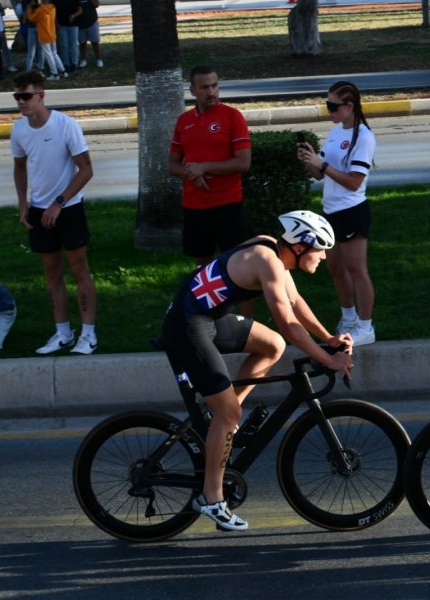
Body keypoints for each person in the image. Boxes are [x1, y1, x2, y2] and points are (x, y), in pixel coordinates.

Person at [162, 210, 353, 531]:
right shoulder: (268, 262)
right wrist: (328, 357)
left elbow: (295, 303)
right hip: (188, 327)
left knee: (272, 346)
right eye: (320, 249)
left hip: (206, 317)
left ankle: (221, 416)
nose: (323, 257)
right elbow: (290, 325)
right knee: (230, 414)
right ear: (301, 247)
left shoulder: (274, 253)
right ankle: (211, 498)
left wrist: (329, 339)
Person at [10, 69, 98, 355]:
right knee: (51, 272)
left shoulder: (65, 125)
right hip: (39, 210)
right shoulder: (19, 129)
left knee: (79, 270)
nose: (22, 102)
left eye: (26, 96)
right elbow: (20, 166)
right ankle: (62, 333)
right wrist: (24, 204)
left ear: (41, 95)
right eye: (17, 97)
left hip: (68, 208)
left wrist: (59, 203)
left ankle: (88, 334)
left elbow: (86, 170)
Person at [297, 81, 377, 346]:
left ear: (349, 107)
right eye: (327, 105)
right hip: (331, 211)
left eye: (333, 106)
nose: (329, 110)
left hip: (352, 210)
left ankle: (366, 327)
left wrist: (324, 165)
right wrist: (310, 161)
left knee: (357, 269)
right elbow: (320, 172)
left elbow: (354, 181)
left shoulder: (363, 137)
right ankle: (349, 318)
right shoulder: (335, 132)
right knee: (335, 268)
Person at [168, 65, 252, 266]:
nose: (211, 92)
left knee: (238, 265)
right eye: (205, 87)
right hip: (194, 206)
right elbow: (172, 164)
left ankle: (239, 299)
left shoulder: (232, 116)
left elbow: (243, 162)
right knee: (203, 267)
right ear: (193, 90)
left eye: (215, 86)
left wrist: (203, 167)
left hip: (228, 204)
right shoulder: (184, 121)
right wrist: (191, 173)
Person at [25, 0, 68, 80]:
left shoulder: (41, 9)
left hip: (44, 35)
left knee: (48, 55)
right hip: (52, 34)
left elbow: (32, 18)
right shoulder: (53, 7)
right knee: (55, 53)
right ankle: (63, 71)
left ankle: (55, 74)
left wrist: (29, 9)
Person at [54, 0, 81, 73]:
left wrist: (73, 15)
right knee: (63, 45)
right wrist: (56, 24)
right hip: (61, 24)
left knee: (73, 44)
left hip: (73, 24)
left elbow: (80, 10)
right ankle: (65, 63)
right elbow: (54, 12)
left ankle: (74, 63)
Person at [76, 0, 103, 68]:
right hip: (80, 23)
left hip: (92, 21)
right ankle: (83, 60)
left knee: (95, 42)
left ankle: (99, 60)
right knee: (82, 42)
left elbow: (96, 4)